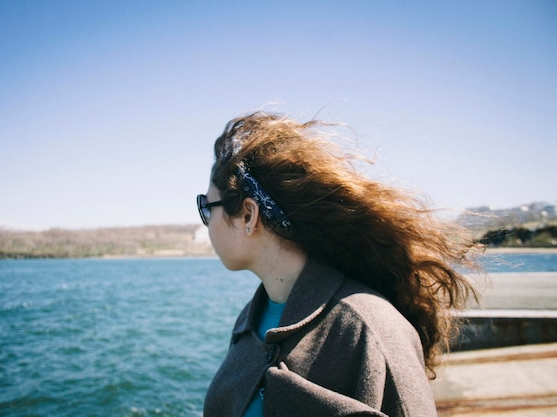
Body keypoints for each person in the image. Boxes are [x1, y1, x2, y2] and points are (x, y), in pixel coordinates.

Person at [198, 112, 480, 417]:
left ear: (248, 216)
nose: (206, 222)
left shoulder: (371, 329)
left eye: (207, 206)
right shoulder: (250, 321)